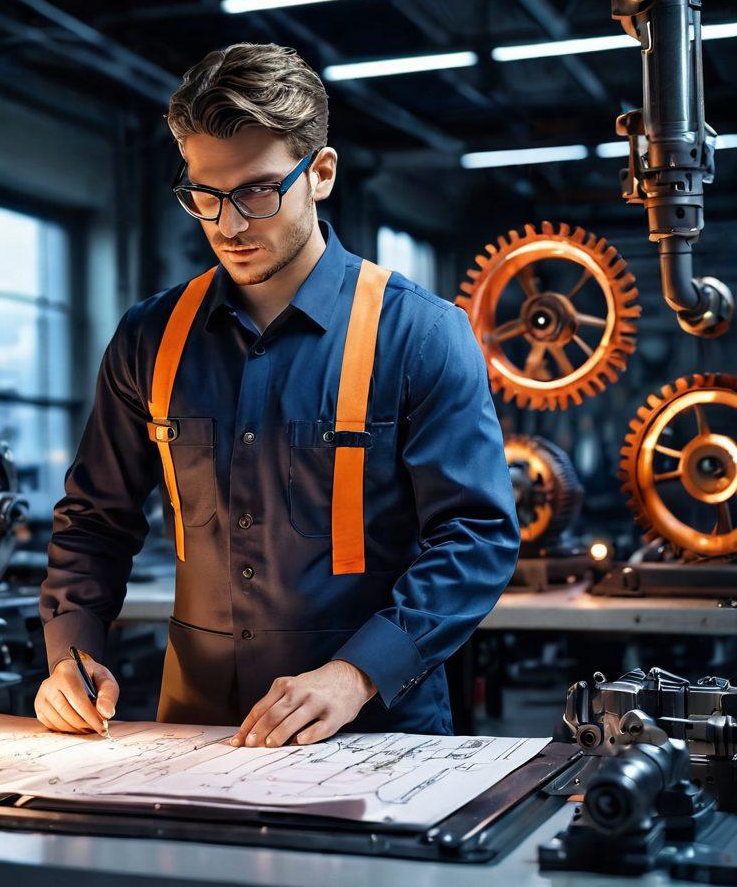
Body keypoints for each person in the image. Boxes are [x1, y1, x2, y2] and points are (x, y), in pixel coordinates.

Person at [35, 41, 519, 751]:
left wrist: (356, 674)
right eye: (204, 193)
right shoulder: (149, 339)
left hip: (375, 736)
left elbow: (476, 536)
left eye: (258, 191)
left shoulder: (420, 334)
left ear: (319, 173)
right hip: (195, 737)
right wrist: (70, 653)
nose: (228, 224)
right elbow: (93, 521)